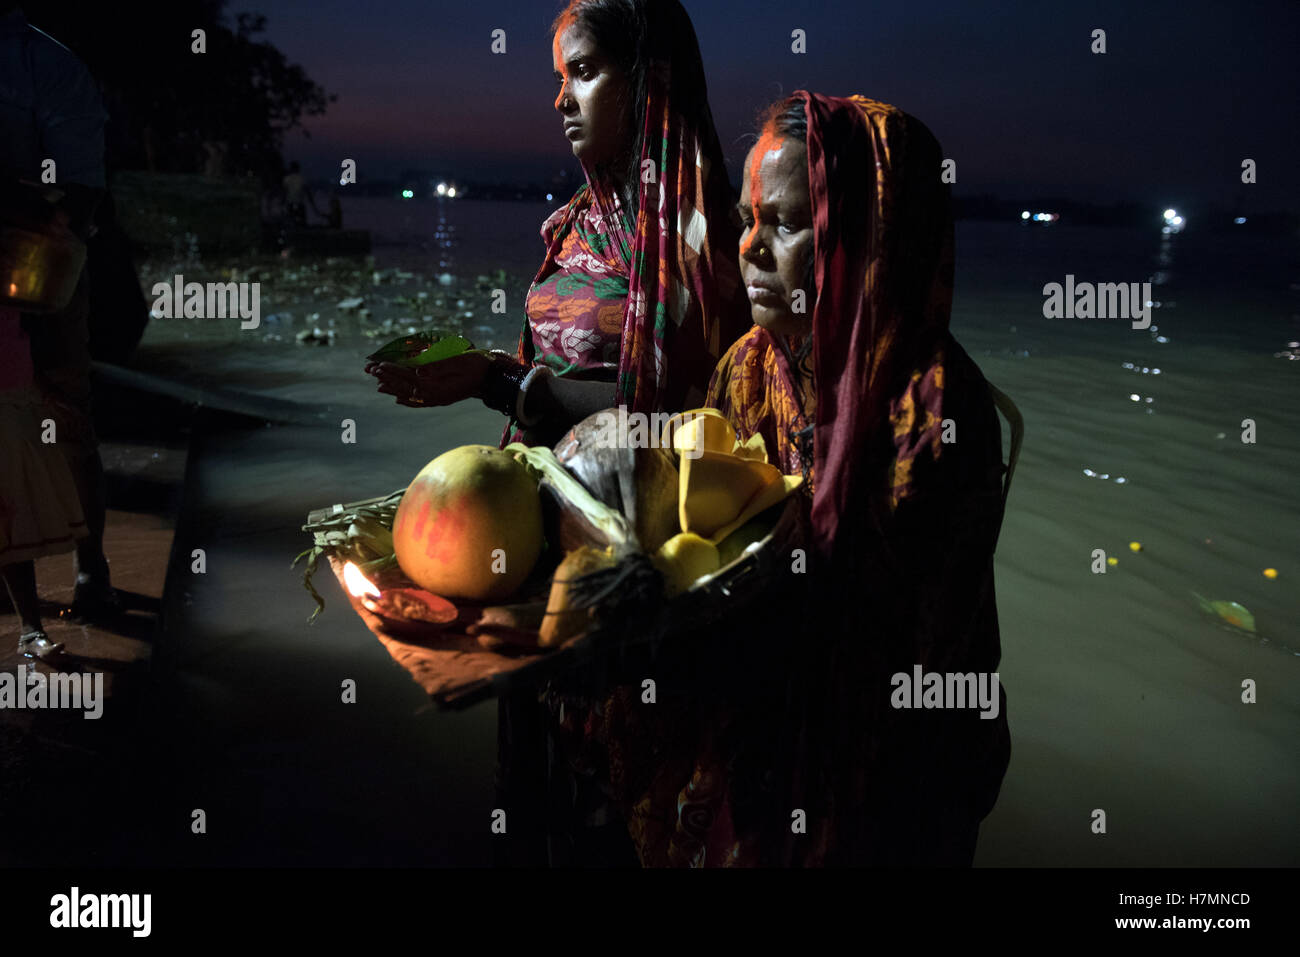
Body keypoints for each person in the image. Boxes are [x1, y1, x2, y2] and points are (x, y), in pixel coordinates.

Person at [544, 93, 1015, 865]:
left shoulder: (930, 406)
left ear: (869, 239)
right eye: (747, 219)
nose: (751, 248)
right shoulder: (749, 365)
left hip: (887, 779)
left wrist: (663, 636)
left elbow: (890, 658)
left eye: (787, 224)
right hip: (761, 745)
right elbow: (709, 529)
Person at [366, 0, 749, 449]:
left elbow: (697, 419)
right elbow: (553, 368)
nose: (561, 100)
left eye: (584, 71)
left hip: (635, 506)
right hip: (531, 487)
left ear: (650, 79)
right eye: (560, 78)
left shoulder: (708, 239)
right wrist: (478, 370)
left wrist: (500, 383)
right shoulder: (576, 224)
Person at [0, 2, 119, 622]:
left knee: (63, 411)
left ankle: (89, 566)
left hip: (37, 264)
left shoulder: (47, 64)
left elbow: (80, 189)